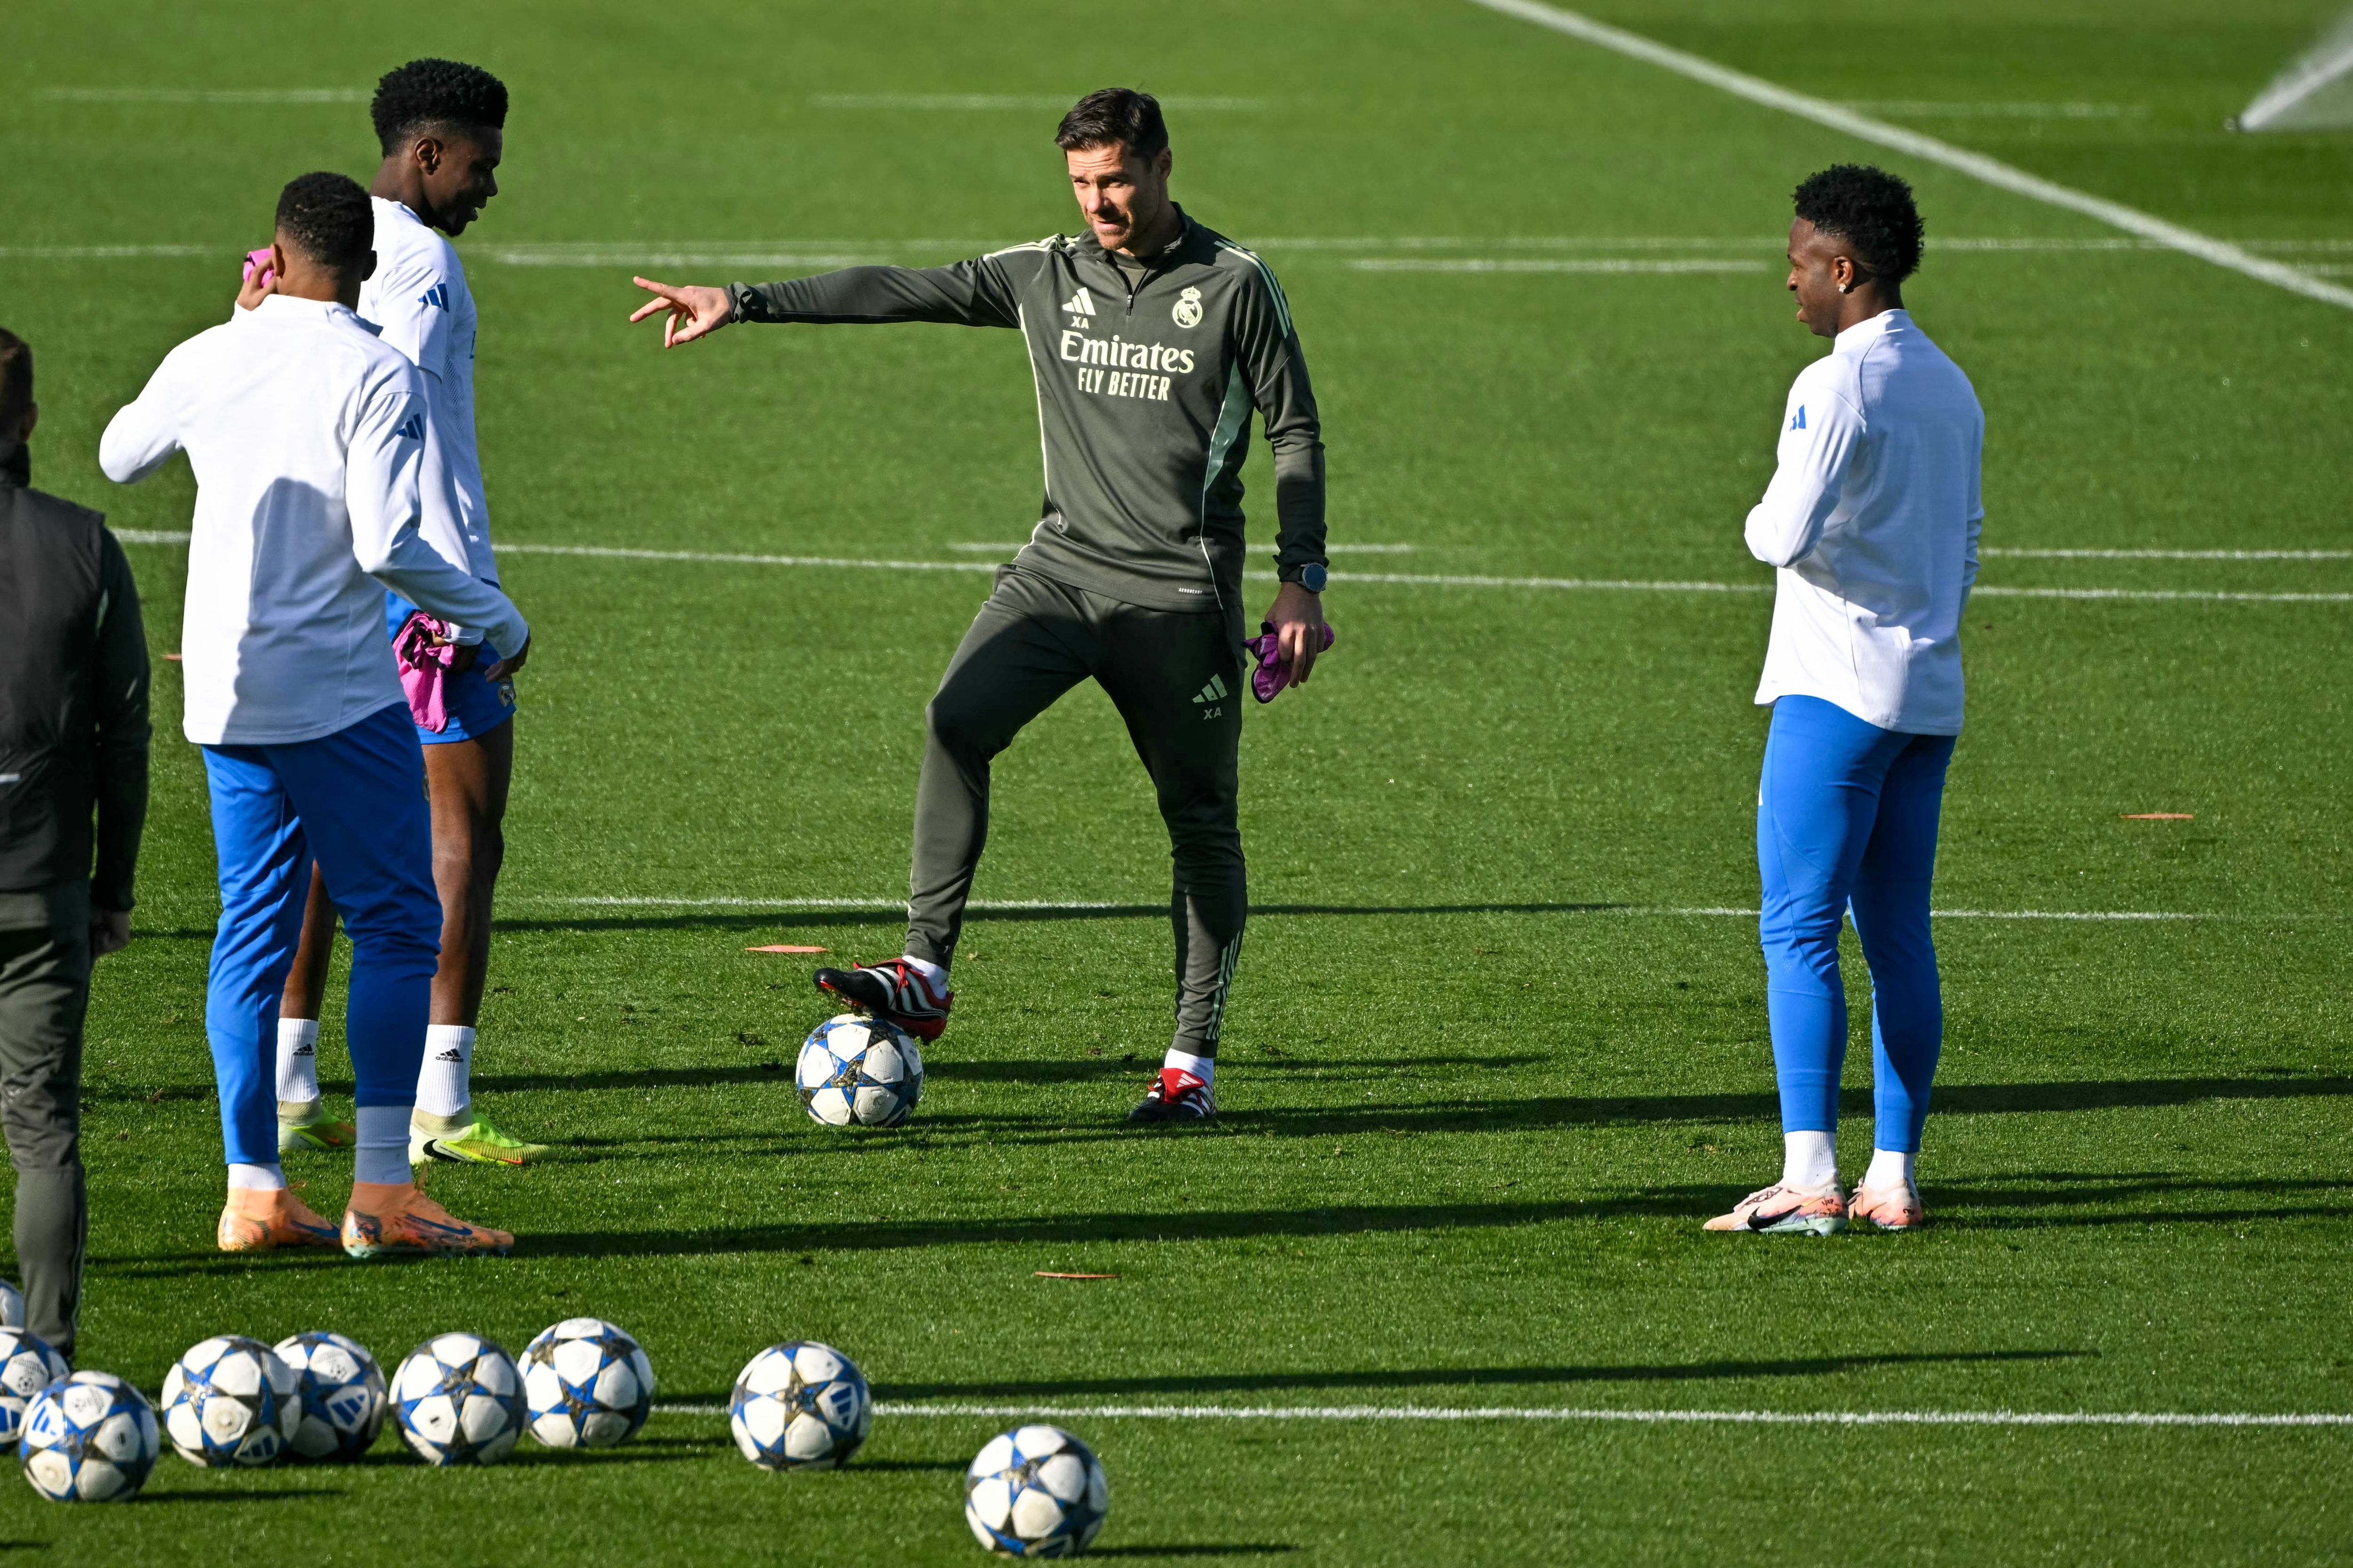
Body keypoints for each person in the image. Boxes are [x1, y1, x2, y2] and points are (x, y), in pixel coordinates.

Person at [630, 88, 1331, 1123]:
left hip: (1179, 598)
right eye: (1084, 183)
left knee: (1197, 821)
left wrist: (1299, 580)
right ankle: (927, 971)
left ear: (1163, 167)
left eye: (1117, 180)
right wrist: (746, 298)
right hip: (1057, 573)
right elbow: (902, 289)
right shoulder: (1046, 272)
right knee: (956, 718)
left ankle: (1189, 1062)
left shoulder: (1234, 285)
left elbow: (1296, 431)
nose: (1101, 203)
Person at [100, 171, 529, 1256]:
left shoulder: (209, 354)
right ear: (370, 267)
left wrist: (230, 326)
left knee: (249, 937)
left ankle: (253, 1192)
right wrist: (496, 616)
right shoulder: (376, 371)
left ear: (274, 255)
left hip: (225, 696)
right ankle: (384, 1194)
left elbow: (118, 455)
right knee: (396, 925)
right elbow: (389, 545)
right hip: (340, 703)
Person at [269, 58, 543, 1168]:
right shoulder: (421, 266)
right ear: (427, 155)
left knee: (332, 843)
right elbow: (406, 434)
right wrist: (465, 604)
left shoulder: (319, 254)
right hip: (426, 598)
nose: (488, 186)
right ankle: (442, 1104)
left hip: (326, 593)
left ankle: (291, 1082)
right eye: (479, 165)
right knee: (463, 846)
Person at [1708, 165, 1984, 1236]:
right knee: (1900, 933)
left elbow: (1777, 534)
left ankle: (1810, 1178)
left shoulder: (1835, 384)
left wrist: (1761, 518)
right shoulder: (1950, 383)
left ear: (1842, 267)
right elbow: (1962, 546)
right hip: (1928, 693)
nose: (1788, 287)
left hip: (1835, 694)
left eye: (1796, 267)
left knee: (1798, 929)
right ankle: (1893, 1177)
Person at [0, 328, 149, 1357]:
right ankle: (49, 1360)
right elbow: (125, 731)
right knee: (42, 1128)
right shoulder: (85, 545)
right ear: (32, 421)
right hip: (42, 879)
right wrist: (114, 885)